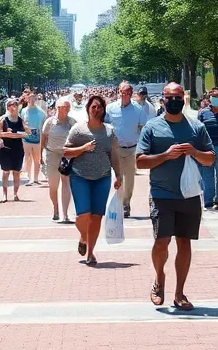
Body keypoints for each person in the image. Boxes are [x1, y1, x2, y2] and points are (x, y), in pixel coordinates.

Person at [137, 82, 215, 310]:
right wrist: (165, 155)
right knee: (161, 242)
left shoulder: (196, 127)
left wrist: (194, 152)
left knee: (184, 242)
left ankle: (180, 292)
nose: (174, 100)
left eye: (178, 96)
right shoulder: (152, 127)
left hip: (189, 195)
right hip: (162, 193)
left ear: (184, 99)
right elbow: (140, 161)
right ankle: (159, 277)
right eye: (169, 97)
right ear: (163, 100)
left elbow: (210, 158)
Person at [63, 95, 122, 266]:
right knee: (84, 214)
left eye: (99, 107)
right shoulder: (78, 130)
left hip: (102, 177)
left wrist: (119, 175)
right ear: (88, 109)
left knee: (96, 216)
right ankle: (83, 235)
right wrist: (83, 148)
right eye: (93, 107)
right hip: (80, 176)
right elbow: (65, 151)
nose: (96, 110)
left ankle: (90, 252)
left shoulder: (109, 131)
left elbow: (114, 155)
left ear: (104, 110)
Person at [106, 82, 146, 218]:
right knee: (117, 177)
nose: (125, 96)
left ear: (131, 94)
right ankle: (117, 202)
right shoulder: (110, 108)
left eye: (128, 93)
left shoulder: (138, 109)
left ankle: (126, 203)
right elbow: (104, 125)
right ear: (118, 92)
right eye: (123, 93)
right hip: (116, 149)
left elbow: (142, 128)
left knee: (129, 178)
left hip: (131, 149)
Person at [40, 97, 77, 223]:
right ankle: (55, 208)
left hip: (66, 154)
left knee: (66, 181)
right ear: (58, 108)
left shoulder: (72, 122)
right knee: (53, 184)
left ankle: (65, 214)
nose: (67, 109)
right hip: (52, 154)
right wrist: (41, 155)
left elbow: (77, 138)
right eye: (64, 107)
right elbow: (43, 139)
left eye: (68, 107)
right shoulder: (50, 122)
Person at [0, 99, 28, 202]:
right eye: (11, 105)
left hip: (18, 148)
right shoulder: (3, 119)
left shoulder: (20, 119)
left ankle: (15, 194)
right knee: (6, 172)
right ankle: (4, 195)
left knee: (16, 172)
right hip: (6, 148)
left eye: (15, 105)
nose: (13, 107)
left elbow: (27, 132)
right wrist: (10, 134)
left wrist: (21, 132)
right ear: (7, 107)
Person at [21, 95, 47, 187]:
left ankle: (36, 178)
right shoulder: (23, 111)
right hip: (26, 137)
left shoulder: (41, 112)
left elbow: (44, 123)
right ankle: (29, 177)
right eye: (30, 98)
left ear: (36, 100)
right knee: (27, 158)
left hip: (37, 137)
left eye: (33, 98)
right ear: (27, 99)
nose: (32, 100)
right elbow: (21, 122)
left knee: (37, 159)